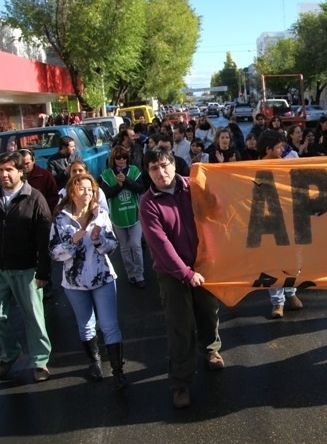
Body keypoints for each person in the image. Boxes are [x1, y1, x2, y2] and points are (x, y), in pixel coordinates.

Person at [139, 147, 224, 409]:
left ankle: (211, 348)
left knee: (209, 312)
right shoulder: (148, 203)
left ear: (175, 165)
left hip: (203, 263)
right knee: (180, 326)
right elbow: (160, 245)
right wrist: (185, 274)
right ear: (148, 172)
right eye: (154, 168)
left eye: (165, 165)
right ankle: (180, 383)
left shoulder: (192, 187)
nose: (161, 172)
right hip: (172, 273)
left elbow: (217, 211)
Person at [0, 151, 53, 382]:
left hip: (26, 269)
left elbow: (45, 240)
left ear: (20, 172)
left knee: (34, 318)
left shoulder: (34, 199)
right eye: (0, 170)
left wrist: (43, 271)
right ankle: (10, 353)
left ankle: (40, 362)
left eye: (9, 170)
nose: (3, 175)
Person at [49, 173, 127, 388]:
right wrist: (71, 244)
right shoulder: (60, 219)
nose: (87, 193)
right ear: (72, 192)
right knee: (86, 326)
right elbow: (54, 252)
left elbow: (112, 246)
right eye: (82, 189)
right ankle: (94, 362)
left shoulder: (100, 215)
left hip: (103, 277)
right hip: (74, 282)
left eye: (90, 189)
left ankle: (118, 370)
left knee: (110, 325)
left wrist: (99, 240)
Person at [257, 130, 304, 318]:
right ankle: (278, 302)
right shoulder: (248, 168)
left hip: (289, 219)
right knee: (272, 262)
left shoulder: (285, 166)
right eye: (278, 147)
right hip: (266, 223)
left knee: (293, 259)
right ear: (268, 149)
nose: (282, 149)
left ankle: (292, 293)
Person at [101, 146, 146, 289]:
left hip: (134, 214)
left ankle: (140, 275)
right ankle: (131, 274)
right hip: (117, 216)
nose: (121, 160)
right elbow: (105, 194)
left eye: (124, 157)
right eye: (118, 158)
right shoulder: (107, 174)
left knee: (136, 245)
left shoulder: (134, 170)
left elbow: (140, 188)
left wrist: (126, 180)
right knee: (125, 247)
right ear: (113, 159)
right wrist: (119, 186)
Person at [20, 149, 59, 214]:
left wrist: (46, 213)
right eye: (21, 164)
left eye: (27, 163)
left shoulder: (45, 175)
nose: (24, 166)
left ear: (33, 160)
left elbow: (54, 197)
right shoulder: (15, 177)